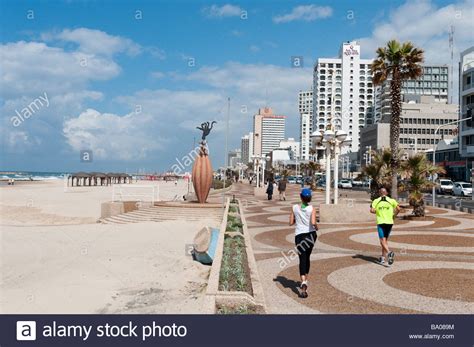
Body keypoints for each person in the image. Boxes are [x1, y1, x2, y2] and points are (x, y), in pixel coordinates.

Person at [289, 188, 318, 298]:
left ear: (301, 197)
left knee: (302, 258)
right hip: (311, 235)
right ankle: (306, 278)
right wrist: (317, 227)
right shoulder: (312, 209)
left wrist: (297, 217)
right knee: (307, 256)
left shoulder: (294, 208)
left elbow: (291, 223)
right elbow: (313, 223)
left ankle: (303, 281)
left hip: (299, 236)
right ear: (309, 198)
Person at [370, 187, 401, 267]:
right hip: (390, 222)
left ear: (380, 193)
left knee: (381, 240)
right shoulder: (391, 200)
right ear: (387, 193)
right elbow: (398, 208)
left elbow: (372, 210)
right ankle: (383, 258)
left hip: (381, 222)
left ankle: (389, 253)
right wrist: (394, 215)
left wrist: (378, 211)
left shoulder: (376, 201)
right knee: (385, 240)